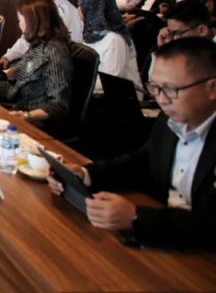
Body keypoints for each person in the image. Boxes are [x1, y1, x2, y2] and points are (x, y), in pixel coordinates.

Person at [48, 37, 216, 250]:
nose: (162, 100)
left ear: (212, 88)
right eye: (155, 88)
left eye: (171, 89)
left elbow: (210, 224)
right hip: (168, 239)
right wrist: (85, 175)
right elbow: (141, 162)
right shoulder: (169, 120)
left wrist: (137, 217)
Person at [0, 0, 73, 128]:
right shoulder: (38, 45)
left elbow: (59, 104)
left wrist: (27, 116)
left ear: (33, 21)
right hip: (18, 111)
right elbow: (14, 87)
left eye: (20, 20)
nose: (19, 25)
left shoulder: (54, 52)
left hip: (35, 123)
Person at [0, 0, 83, 70]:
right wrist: (8, 57)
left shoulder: (65, 14)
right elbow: (27, 38)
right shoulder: (43, 8)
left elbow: (53, 53)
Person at [78, 0, 142, 95]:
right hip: (94, 92)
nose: (78, 9)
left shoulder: (114, 40)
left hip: (121, 97)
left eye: (81, 5)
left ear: (92, 7)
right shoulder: (90, 33)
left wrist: (76, 81)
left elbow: (110, 81)